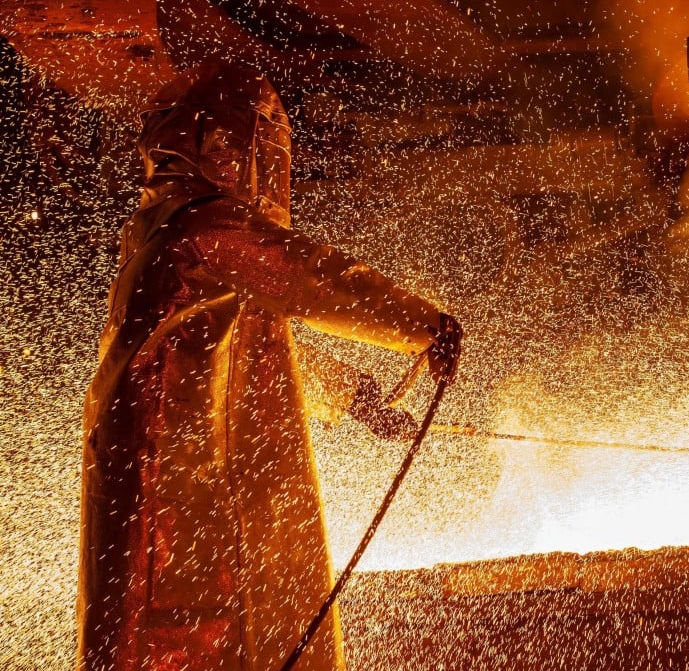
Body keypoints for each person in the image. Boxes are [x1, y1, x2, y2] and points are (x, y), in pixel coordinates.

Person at [77, 61, 460, 670]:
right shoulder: (204, 226)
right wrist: (424, 327)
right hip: (181, 477)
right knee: (198, 624)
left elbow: (247, 343)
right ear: (235, 147)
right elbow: (308, 276)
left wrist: (353, 398)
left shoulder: (160, 228)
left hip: (174, 461)